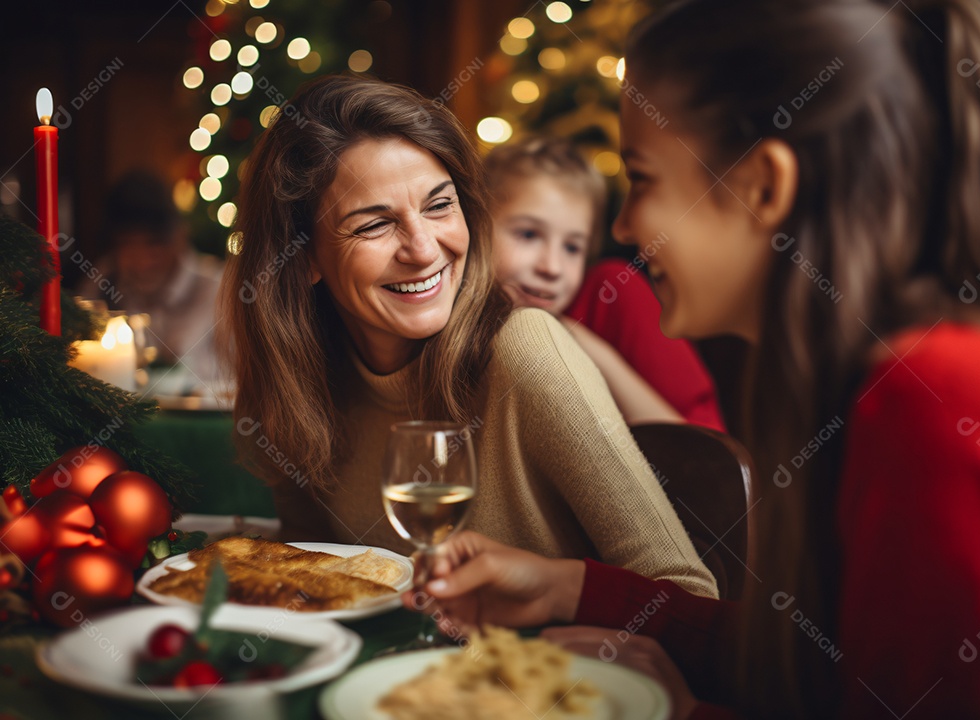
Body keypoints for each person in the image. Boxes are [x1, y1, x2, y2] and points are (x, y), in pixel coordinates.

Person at [404, 0, 980, 717]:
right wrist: (571, 586)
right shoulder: (869, 378)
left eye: (642, 178)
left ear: (764, 187)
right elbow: (827, 666)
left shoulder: (940, 398)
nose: (626, 227)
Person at [219, 75, 716, 598]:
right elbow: (312, 562)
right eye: (373, 225)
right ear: (304, 259)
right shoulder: (295, 381)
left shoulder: (525, 349)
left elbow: (686, 593)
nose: (424, 249)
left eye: (439, 206)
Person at [486, 137, 724, 429]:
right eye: (528, 235)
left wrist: (574, 338)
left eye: (573, 248)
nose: (552, 267)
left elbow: (705, 453)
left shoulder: (611, 290)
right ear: (477, 229)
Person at [78, 170, 224, 388]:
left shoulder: (218, 289)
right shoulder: (104, 281)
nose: (141, 261)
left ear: (179, 236)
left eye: (153, 244)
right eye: (127, 245)